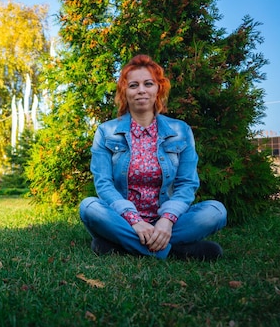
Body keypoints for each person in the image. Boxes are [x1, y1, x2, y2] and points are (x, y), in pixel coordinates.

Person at [79, 54, 227, 260]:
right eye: (133, 85)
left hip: (168, 221)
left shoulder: (180, 130)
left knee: (216, 211)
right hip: (123, 219)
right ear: (125, 92)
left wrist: (166, 220)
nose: (141, 90)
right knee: (89, 207)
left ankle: (125, 245)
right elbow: (104, 184)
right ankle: (173, 252)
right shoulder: (106, 132)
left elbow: (187, 184)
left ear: (158, 89)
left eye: (148, 84)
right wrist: (134, 221)